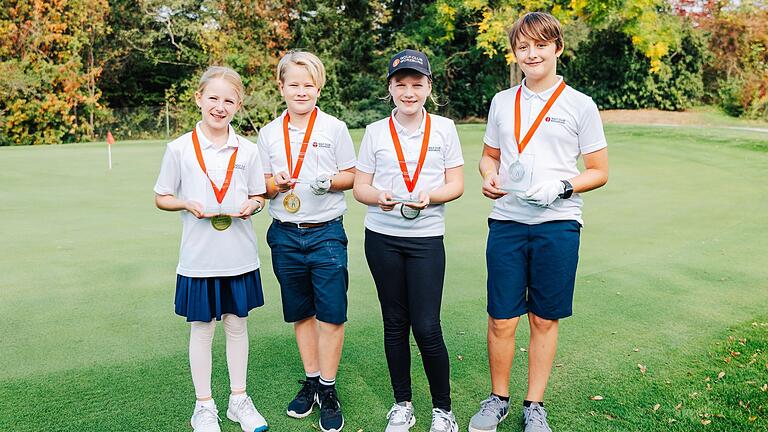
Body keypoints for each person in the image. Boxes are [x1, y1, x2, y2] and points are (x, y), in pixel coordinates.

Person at [468, 12, 610, 432]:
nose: (531, 53)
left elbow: (599, 170)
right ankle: (498, 398)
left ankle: (535, 405)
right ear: (516, 52)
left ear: (557, 48)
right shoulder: (502, 101)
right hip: (508, 221)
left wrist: (562, 187)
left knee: (544, 318)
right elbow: (489, 155)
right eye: (523, 46)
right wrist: (488, 176)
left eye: (540, 45)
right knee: (501, 318)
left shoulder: (580, 104)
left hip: (558, 223)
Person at [353, 49, 464, 432]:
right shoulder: (375, 132)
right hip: (382, 237)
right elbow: (360, 187)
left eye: (417, 84)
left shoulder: (445, 129)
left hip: (426, 238)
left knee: (428, 326)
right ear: (390, 88)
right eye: (401, 84)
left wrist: (430, 196)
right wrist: (377, 196)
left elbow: (457, 185)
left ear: (429, 87)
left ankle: (443, 410)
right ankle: (403, 404)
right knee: (394, 322)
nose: (409, 92)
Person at [154, 66, 269, 432]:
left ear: (238, 105)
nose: (220, 106)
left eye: (229, 100)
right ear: (199, 99)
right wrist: (187, 204)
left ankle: (239, 400)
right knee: (202, 329)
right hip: (198, 258)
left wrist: (253, 205)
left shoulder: (248, 150)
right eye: (214, 98)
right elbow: (162, 197)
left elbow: (258, 195)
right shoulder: (179, 148)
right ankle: (204, 406)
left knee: (237, 326)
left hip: (239, 254)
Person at [257, 50, 356, 432]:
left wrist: (329, 181)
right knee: (301, 312)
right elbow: (260, 187)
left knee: (331, 313)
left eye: (308, 85)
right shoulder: (268, 133)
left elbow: (351, 175)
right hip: (284, 233)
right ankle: (312, 380)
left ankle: (328, 389)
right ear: (281, 87)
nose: (301, 92)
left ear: (319, 87)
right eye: (294, 84)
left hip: (326, 232)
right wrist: (273, 184)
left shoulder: (334, 128)